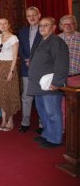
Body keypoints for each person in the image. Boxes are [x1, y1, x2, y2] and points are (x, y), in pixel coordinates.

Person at [27, 17, 69, 148]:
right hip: (39, 85)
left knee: (52, 112)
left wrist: (57, 83)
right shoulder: (42, 40)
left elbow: (61, 64)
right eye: (41, 25)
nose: (42, 28)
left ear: (54, 27)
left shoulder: (56, 41)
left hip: (50, 85)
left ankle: (55, 139)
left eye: (46, 25)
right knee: (42, 111)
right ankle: (47, 134)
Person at [18, 6, 42, 133]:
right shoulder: (22, 31)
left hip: (41, 70)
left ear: (39, 15)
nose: (31, 18)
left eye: (34, 15)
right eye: (29, 16)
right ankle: (25, 123)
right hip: (26, 68)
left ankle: (42, 125)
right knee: (26, 96)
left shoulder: (45, 30)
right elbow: (20, 49)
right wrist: (27, 59)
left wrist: (35, 60)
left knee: (40, 97)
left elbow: (46, 49)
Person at [0, 18, 20, 132]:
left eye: (5, 23)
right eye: (1, 24)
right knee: (0, 93)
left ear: (8, 24)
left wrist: (11, 71)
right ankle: (3, 120)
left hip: (9, 66)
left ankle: (10, 121)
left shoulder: (14, 38)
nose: (3, 25)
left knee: (9, 92)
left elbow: (15, 57)